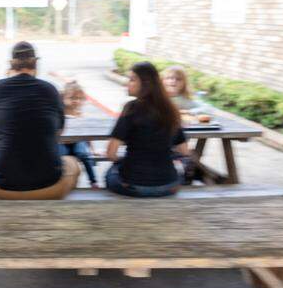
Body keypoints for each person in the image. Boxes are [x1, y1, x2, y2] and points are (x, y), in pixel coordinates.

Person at [0, 41, 80, 199]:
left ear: (11, 65)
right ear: (36, 64)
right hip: (51, 185)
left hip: (2, 187)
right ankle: (55, 211)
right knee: (72, 163)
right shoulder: (50, 89)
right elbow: (59, 131)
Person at [105, 62, 189, 198]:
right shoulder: (170, 109)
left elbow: (110, 153)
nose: (128, 83)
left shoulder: (131, 108)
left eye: (132, 79)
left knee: (111, 173)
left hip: (135, 186)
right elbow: (184, 151)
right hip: (169, 185)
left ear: (145, 83)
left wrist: (122, 161)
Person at [59, 80, 99, 187]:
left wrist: (93, 150)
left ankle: (93, 181)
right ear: (63, 98)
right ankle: (62, 181)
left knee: (84, 154)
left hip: (78, 141)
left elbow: (87, 134)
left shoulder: (81, 115)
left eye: (79, 98)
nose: (76, 101)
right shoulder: (60, 114)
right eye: (72, 98)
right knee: (61, 155)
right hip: (63, 142)